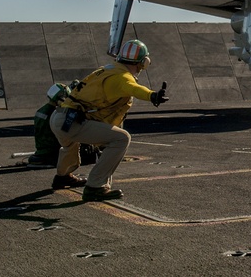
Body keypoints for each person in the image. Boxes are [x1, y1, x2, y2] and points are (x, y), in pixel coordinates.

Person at [49, 39, 168, 201]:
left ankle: (63, 176)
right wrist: (152, 95)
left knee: (70, 144)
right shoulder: (122, 76)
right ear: (143, 63)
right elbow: (132, 88)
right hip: (73, 121)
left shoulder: (106, 69)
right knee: (121, 138)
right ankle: (95, 186)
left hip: (60, 117)